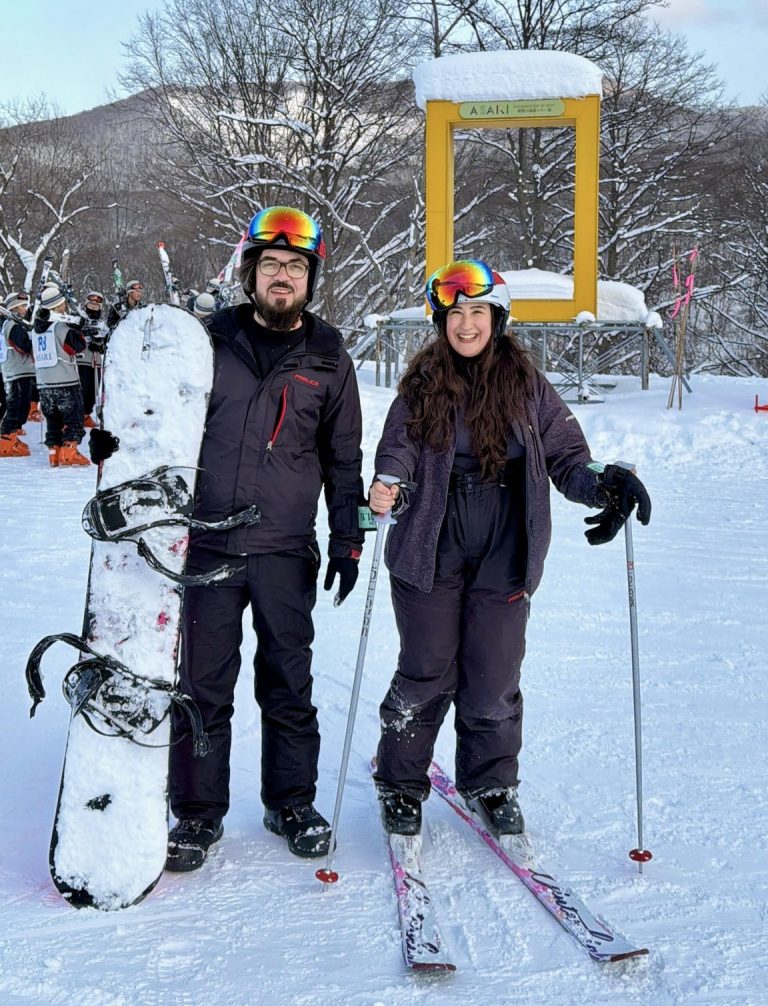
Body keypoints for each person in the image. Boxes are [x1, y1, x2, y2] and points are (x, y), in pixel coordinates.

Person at [90, 206, 366, 870]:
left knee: (288, 683)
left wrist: (347, 537)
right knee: (203, 687)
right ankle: (197, 814)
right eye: (270, 264)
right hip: (206, 546)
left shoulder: (328, 354)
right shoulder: (203, 341)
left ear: (309, 278)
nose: (282, 277)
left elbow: (344, 458)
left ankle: (291, 801)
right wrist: (114, 443)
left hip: (282, 548)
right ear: (249, 272)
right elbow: (149, 420)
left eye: (295, 267)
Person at [368, 259, 651, 839]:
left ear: (496, 318)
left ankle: (490, 782)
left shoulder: (527, 385)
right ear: (441, 321)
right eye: (455, 314)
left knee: (493, 675)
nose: (466, 325)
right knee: (427, 672)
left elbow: (568, 454)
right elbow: (398, 449)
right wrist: (390, 483)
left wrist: (603, 479)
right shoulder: (420, 385)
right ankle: (400, 784)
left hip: (506, 543)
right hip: (432, 542)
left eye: (477, 312)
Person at [32, 285, 90, 467]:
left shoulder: (35, 330)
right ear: (58, 306)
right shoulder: (60, 327)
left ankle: (54, 453)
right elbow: (78, 346)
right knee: (74, 419)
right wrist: (76, 328)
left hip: (44, 383)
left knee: (53, 421)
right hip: (65, 380)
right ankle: (69, 453)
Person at [0, 291, 35, 458]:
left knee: (22, 406)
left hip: (22, 369)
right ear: (14, 308)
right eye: (22, 306)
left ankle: (12, 435)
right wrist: (33, 340)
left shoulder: (18, 324)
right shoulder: (13, 325)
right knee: (16, 406)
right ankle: (6, 439)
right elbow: (23, 346)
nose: (25, 309)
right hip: (16, 370)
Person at [77, 291, 107, 429]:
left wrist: (101, 344)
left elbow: (107, 338)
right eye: (91, 304)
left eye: (96, 305)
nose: (93, 307)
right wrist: (85, 333)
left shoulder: (102, 323)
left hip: (96, 361)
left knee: (93, 391)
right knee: (82, 389)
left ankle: (86, 414)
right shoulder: (80, 318)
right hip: (82, 360)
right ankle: (76, 415)